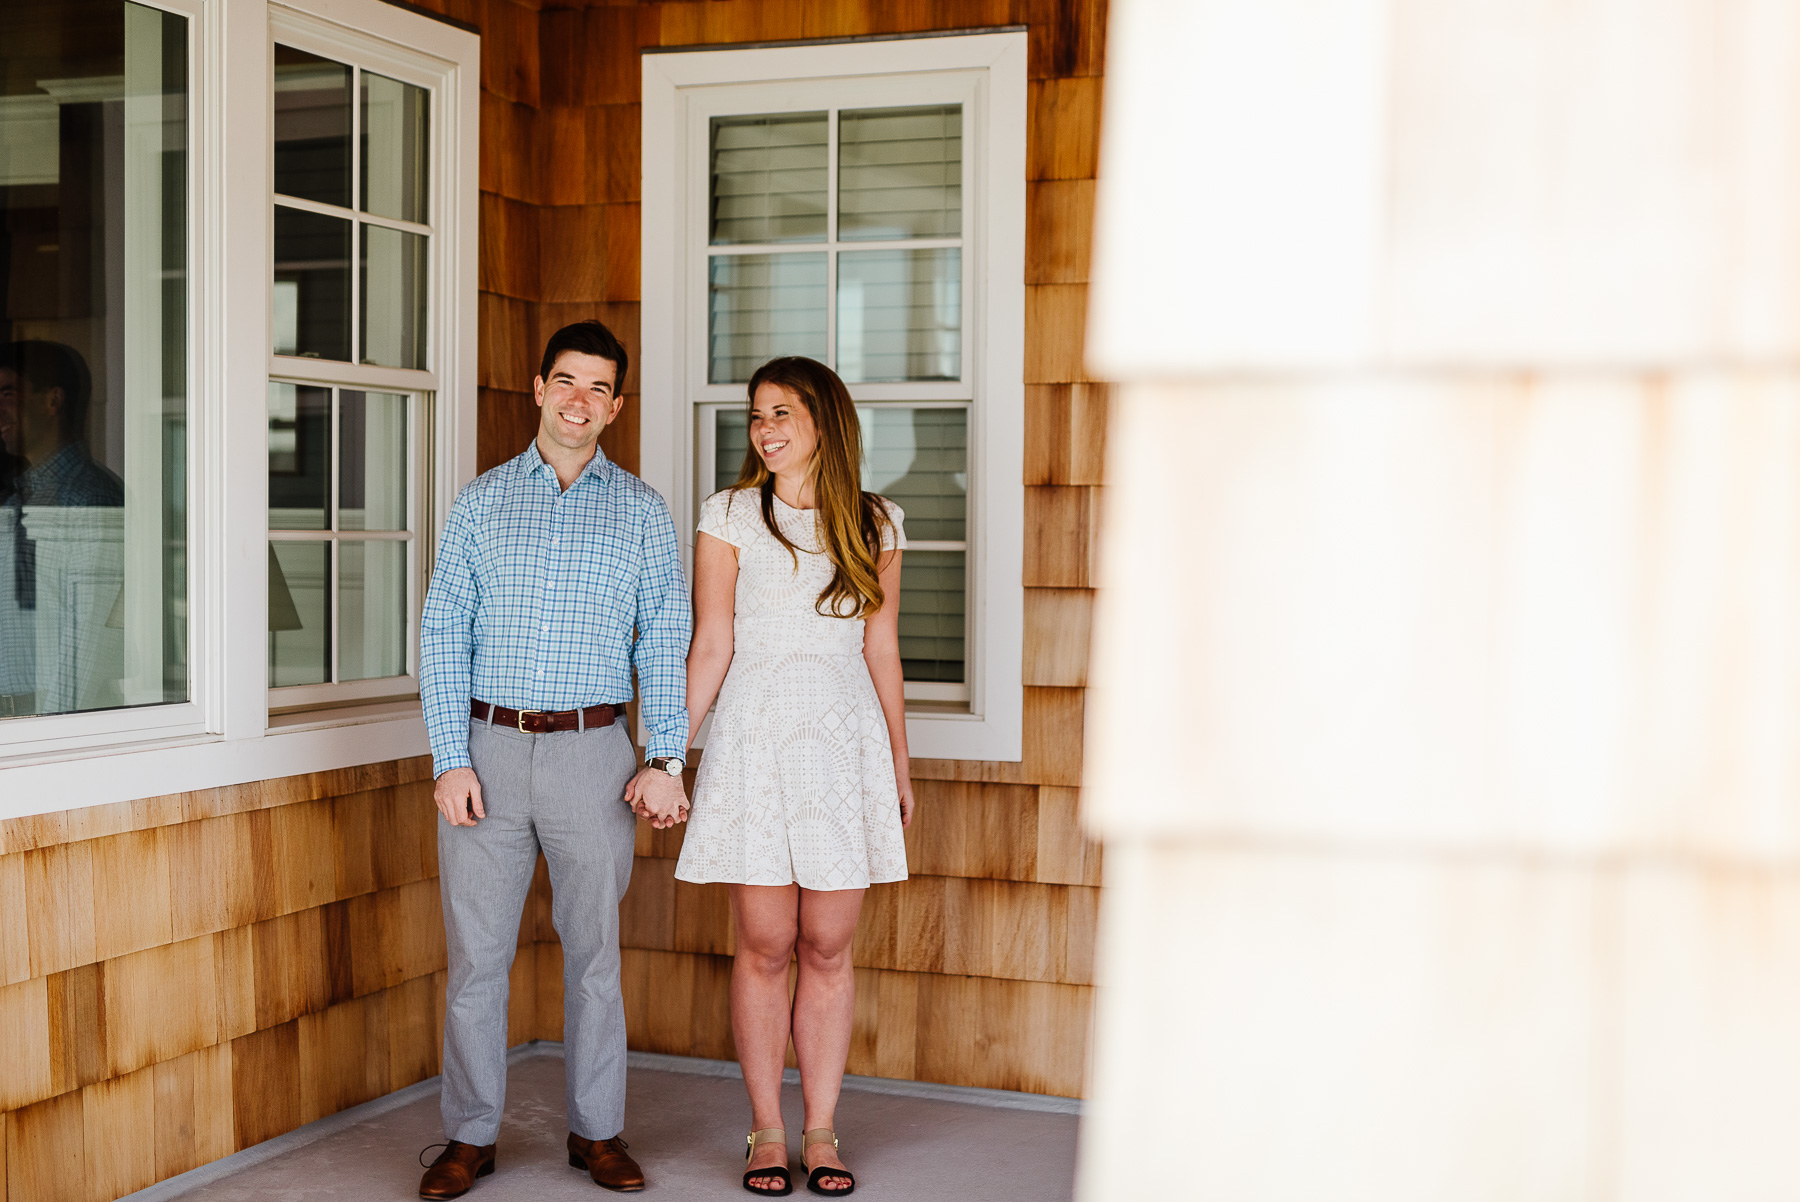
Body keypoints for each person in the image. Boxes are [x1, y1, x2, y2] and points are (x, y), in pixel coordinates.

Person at [417, 319, 692, 1199]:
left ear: (616, 406)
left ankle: (597, 1132)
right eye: (565, 382)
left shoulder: (643, 510)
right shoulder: (480, 501)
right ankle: (468, 1136)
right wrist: (448, 757)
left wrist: (665, 757)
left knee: (594, 955)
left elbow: (667, 643)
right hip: (488, 752)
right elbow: (442, 633)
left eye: (599, 388)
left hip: (593, 755)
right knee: (477, 958)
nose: (580, 401)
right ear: (538, 390)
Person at [672, 356, 914, 1197]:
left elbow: (881, 651)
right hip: (755, 740)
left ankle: (821, 1130)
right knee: (768, 943)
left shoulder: (876, 522)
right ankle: (766, 1131)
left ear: (825, 421)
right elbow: (711, 644)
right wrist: (671, 754)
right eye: (757, 415)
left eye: (783, 413)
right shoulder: (731, 514)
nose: (766, 430)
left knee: (828, 944)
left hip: (844, 746)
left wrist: (899, 763)